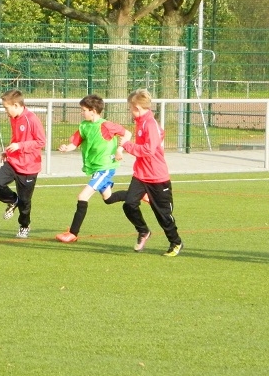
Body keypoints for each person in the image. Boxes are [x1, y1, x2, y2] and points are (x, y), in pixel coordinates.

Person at [108, 88, 183, 256]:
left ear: (137, 107)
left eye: (130, 108)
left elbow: (149, 150)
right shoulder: (141, 122)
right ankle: (143, 231)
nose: (129, 111)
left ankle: (176, 242)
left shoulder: (150, 124)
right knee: (129, 204)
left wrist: (127, 145)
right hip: (141, 175)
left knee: (163, 214)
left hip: (157, 177)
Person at [55, 94, 125, 243]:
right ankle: (140, 193)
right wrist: (66, 148)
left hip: (105, 167)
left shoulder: (106, 125)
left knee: (83, 196)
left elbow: (127, 133)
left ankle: (72, 233)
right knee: (109, 198)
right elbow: (75, 143)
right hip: (96, 168)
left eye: (84, 110)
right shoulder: (84, 126)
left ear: (93, 111)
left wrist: (120, 149)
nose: (82, 112)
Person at [0, 89, 46, 238]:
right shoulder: (13, 118)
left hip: (29, 166)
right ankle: (13, 200)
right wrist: (8, 150)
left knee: (25, 202)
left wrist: (20, 146)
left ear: (16, 105)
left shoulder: (31, 119)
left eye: (6, 108)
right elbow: (16, 137)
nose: (5, 111)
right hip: (13, 161)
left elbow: (41, 142)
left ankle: (24, 226)